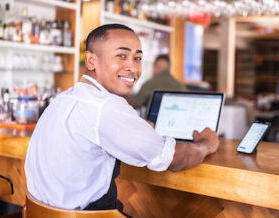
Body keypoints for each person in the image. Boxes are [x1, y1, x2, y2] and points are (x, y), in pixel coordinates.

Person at [24, 24, 219, 214]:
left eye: (138, 58)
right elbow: (174, 159)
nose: (133, 67)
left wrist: (138, 128)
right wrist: (206, 145)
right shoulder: (106, 107)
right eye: (121, 55)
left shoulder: (64, 98)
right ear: (91, 60)